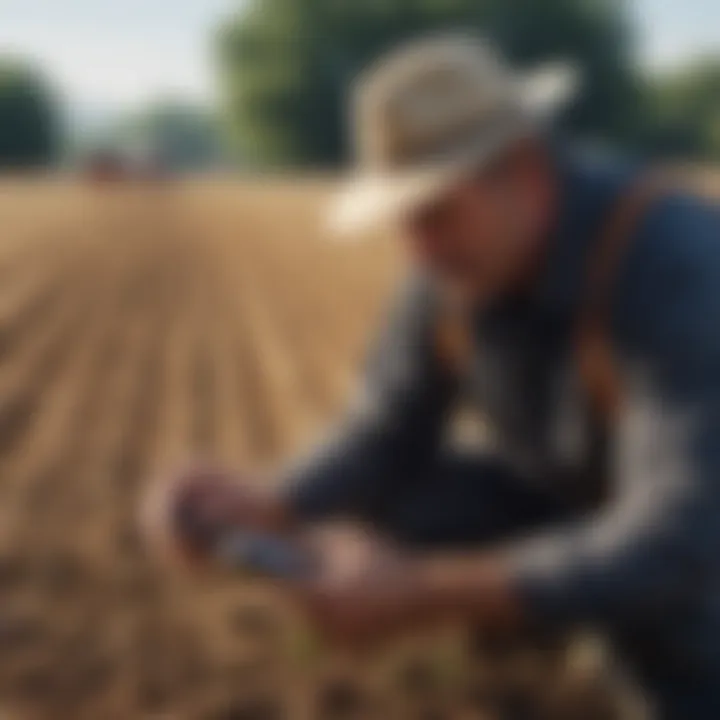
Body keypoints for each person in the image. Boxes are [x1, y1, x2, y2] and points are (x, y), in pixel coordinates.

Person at [143, 35, 720, 718]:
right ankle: (563, 612)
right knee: (395, 500)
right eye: (401, 219)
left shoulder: (678, 266)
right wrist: (267, 504)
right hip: (590, 501)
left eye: (434, 213)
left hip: (695, 539)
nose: (416, 250)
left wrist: (421, 590)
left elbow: (683, 537)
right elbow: (386, 428)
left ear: (527, 175)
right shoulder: (452, 266)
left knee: (680, 656)